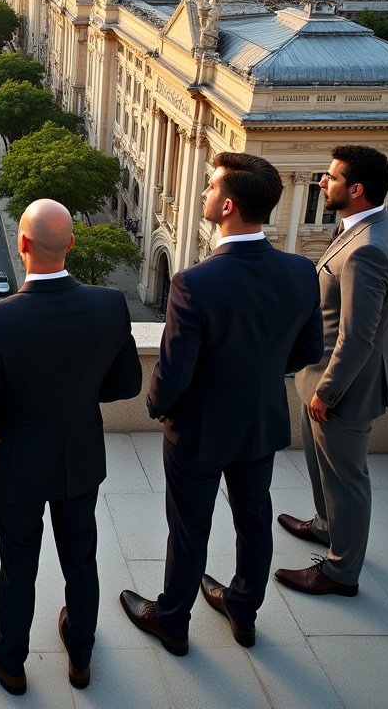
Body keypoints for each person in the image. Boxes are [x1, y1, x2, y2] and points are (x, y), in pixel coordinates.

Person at [120, 153, 323, 655]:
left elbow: (175, 370)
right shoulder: (301, 271)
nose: (205, 194)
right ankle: (243, 609)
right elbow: (309, 351)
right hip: (259, 422)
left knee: (189, 530)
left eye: (210, 188)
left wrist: (156, 404)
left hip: (199, 429)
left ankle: (172, 620)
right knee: (254, 520)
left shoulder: (195, 282)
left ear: (228, 205)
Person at [0, 198, 142, 695]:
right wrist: (76, 399)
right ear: (72, 244)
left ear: (22, 245)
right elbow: (126, 383)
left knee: (18, 563)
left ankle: (10, 661)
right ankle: (80, 656)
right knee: (82, 557)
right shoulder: (110, 305)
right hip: (80, 456)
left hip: (17, 463)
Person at [275, 146, 388, 598]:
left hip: (345, 388)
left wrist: (326, 393)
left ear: (356, 189)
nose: (321, 184)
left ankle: (340, 572)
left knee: (347, 479)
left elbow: (358, 336)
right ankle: (327, 525)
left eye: (330, 178)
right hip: (330, 378)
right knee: (324, 468)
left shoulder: (368, 248)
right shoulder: (370, 227)